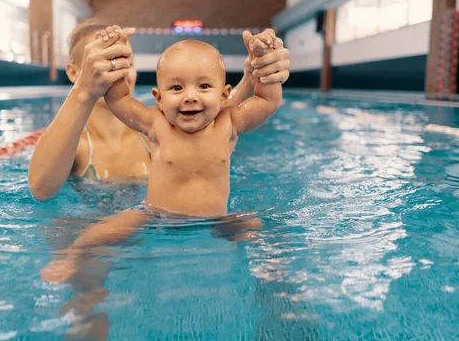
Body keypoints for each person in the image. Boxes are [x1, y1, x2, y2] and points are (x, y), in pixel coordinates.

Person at [40, 28, 283, 283]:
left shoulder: (230, 124)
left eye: (204, 86)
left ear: (224, 95)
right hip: (154, 214)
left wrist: (264, 62)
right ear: (158, 98)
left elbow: (268, 101)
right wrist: (118, 58)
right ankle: (72, 257)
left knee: (256, 228)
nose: (190, 96)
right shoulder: (157, 126)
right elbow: (119, 98)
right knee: (95, 234)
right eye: (176, 88)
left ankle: (270, 264)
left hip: (217, 219)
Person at [28, 23, 290, 200]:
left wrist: (253, 73)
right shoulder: (78, 144)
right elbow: (41, 190)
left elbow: (217, 114)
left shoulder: (161, 124)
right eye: (107, 61)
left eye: (124, 61)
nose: (116, 70)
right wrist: (85, 89)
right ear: (74, 71)